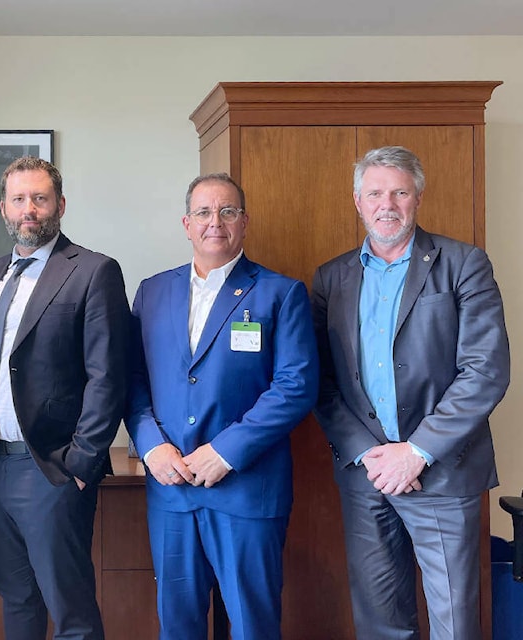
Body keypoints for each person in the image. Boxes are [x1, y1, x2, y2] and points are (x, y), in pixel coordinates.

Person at [312, 145, 510, 639]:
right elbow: (322, 381)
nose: (388, 203)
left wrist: (416, 453)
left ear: (417, 196)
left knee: (454, 623)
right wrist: (372, 456)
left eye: (399, 191)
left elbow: (486, 370)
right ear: (357, 201)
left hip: (443, 473)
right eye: (375, 192)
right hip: (368, 475)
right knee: (380, 623)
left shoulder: (463, 264)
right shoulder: (331, 277)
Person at [126, 173, 319, 640]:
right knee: (178, 625)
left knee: (252, 624)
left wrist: (225, 452)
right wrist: (152, 448)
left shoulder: (280, 293)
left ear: (245, 222)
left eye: (228, 211)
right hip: (171, 490)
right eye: (205, 213)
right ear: (186, 224)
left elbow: (296, 386)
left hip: (247, 490)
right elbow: (132, 381)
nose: (216, 222)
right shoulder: (152, 292)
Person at [0, 156, 129, 640]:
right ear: (3, 208)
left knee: (70, 611)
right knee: (16, 601)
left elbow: (107, 377)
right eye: (18, 199)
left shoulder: (93, 271)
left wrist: (82, 463)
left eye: (39, 198)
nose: (28, 209)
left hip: (51, 468)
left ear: (60, 205)